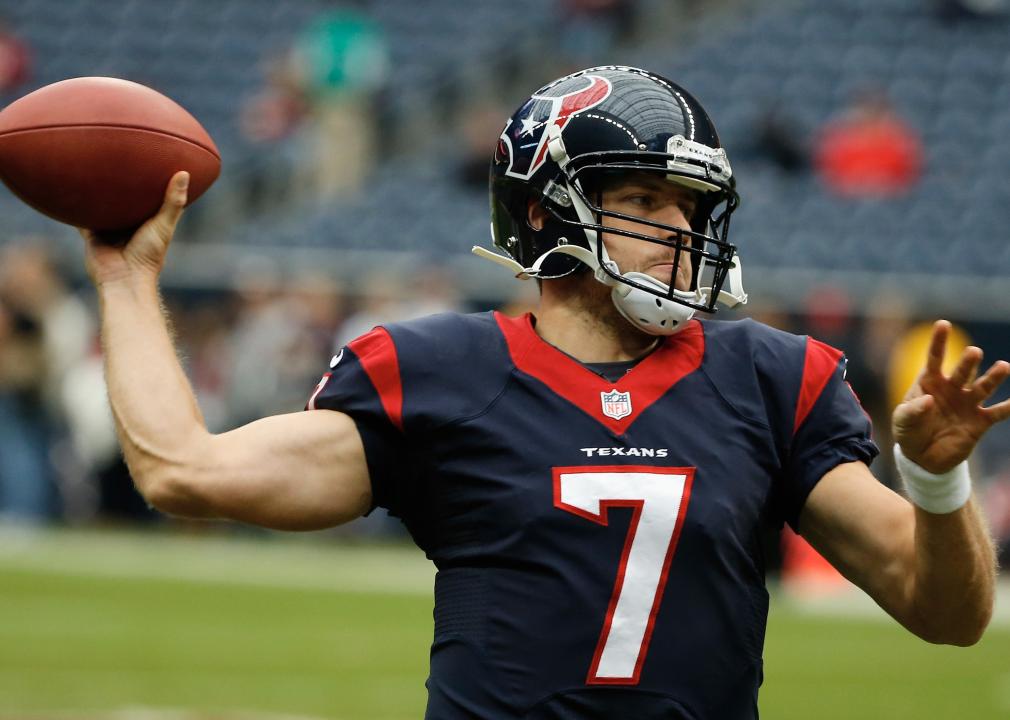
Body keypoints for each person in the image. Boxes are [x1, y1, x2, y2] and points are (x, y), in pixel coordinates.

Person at [80, 66, 1008, 719]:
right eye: (645, 200)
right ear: (543, 209)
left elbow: (950, 614)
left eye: (689, 206)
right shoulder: (438, 373)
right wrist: (128, 278)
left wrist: (936, 483)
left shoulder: (769, 379)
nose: (678, 229)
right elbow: (182, 471)